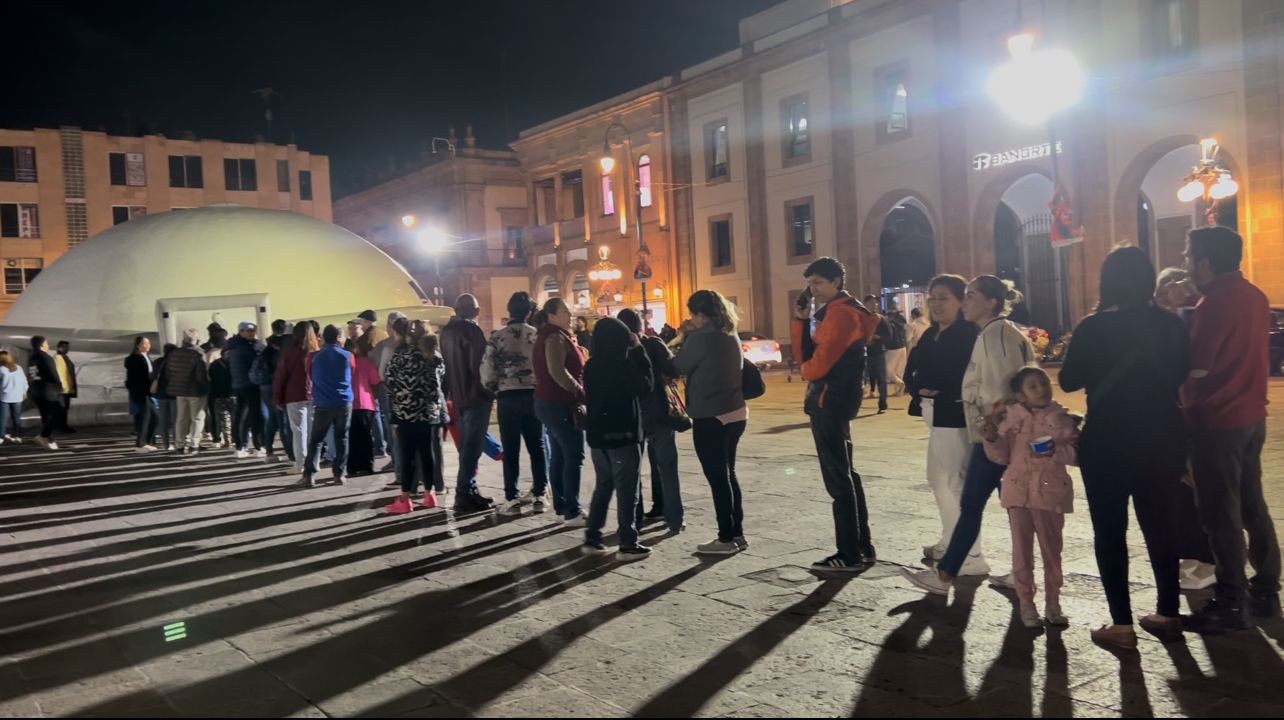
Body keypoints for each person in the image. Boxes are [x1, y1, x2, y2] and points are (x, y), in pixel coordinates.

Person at [1057, 246, 1191, 648]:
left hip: (1109, 439)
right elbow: (1182, 372)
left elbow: (1067, 380)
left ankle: (1122, 624)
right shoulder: (1171, 325)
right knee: (1161, 524)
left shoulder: (1093, 327)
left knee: (1110, 530)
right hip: (1163, 435)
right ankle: (1168, 612)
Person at [904, 275, 1034, 595]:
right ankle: (952, 570)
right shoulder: (991, 333)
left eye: (970, 296)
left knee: (992, 500)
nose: (965, 302)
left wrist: (993, 424)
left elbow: (1004, 386)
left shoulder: (996, 335)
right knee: (977, 498)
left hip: (996, 431)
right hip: (991, 429)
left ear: (990, 301)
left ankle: (969, 565)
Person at [1180, 227, 1281, 631]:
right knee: (1253, 504)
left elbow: (1198, 368)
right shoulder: (1255, 296)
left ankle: (1231, 600)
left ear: (1205, 261)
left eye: (1189, 256)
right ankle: (1266, 588)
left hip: (1217, 420)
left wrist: (1180, 397)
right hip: (1252, 415)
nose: (1186, 263)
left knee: (1220, 512)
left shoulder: (1215, 302)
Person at [792, 259, 881, 569]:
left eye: (818, 283)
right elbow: (808, 356)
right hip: (837, 399)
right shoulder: (840, 310)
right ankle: (862, 546)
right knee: (846, 474)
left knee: (838, 478)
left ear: (836, 281)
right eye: (811, 284)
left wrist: (807, 371)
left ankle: (849, 553)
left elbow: (816, 363)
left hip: (829, 401)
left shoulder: (841, 315)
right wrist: (801, 320)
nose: (813, 290)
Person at [983, 367, 1077, 629]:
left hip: (1050, 494)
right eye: (1033, 386)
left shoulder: (1062, 418)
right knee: (1021, 553)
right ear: (1019, 394)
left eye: (1044, 383)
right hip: (1017, 493)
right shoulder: (1011, 420)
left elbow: (1077, 454)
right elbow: (1001, 456)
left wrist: (1055, 451)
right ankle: (1026, 603)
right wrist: (991, 439)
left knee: (1051, 551)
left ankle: (1053, 603)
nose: (1041, 390)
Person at [905, 275, 985, 569]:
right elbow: (911, 370)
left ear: (961, 301)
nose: (936, 304)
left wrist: (937, 389)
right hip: (933, 414)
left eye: (944, 298)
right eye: (932, 298)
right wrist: (918, 388)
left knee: (956, 482)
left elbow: (966, 377)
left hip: (954, 415)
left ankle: (971, 553)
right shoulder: (930, 334)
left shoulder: (966, 335)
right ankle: (950, 539)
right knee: (937, 480)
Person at [674, 290, 749, 555]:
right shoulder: (731, 333)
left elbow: (677, 367)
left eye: (692, 314)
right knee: (729, 474)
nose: (691, 319)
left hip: (710, 415)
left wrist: (682, 337)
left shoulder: (699, 338)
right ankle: (737, 533)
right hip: (736, 413)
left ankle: (725, 538)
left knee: (718, 479)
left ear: (701, 315)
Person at [582, 316, 654, 558]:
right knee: (627, 490)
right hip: (623, 436)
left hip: (598, 437)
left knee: (603, 485)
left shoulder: (591, 365)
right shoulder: (623, 365)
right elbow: (645, 386)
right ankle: (628, 542)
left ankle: (592, 537)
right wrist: (639, 352)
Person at [482, 292, 549, 515]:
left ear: (509, 310)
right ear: (529, 312)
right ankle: (540, 493)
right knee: (537, 446)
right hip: (534, 395)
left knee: (510, 449)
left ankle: (512, 497)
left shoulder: (497, 337)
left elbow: (488, 369)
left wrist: (494, 386)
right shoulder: (537, 336)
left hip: (508, 397)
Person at [619, 308, 684, 534]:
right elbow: (674, 369)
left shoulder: (616, 349)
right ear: (640, 326)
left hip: (630, 415)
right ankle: (673, 516)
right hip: (659, 413)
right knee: (666, 466)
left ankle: (635, 519)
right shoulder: (655, 344)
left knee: (631, 469)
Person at [534, 298, 588, 526]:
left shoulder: (552, 335)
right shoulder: (554, 337)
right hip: (559, 403)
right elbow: (557, 371)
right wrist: (579, 391)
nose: (570, 314)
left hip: (549, 402)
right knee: (574, 454)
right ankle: (572, 510)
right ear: (552, 315)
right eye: (565, 311)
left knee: (559, 454)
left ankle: (562, 505)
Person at [385, 318, 448, 513]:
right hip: (429, 413)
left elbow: (389, 381)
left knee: (408, 455)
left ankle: (405, 499)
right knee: (427, 453)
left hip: (406, 412)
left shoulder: (402, 355)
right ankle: (430, 495)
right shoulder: (435, 355)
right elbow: (441, 380)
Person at [440, 294, 496, 511]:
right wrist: (489, 391)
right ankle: (463, 494)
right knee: (472, 448)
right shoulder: (471, 331)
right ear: (476, 310)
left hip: (459, 396)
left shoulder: (446, 332)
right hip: (475, 396)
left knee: (466, 447)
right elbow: (480, 365)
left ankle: (471, 491)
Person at [302, 324, 356, 487]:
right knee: (342, 437)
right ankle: (339, 474)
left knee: (316, 439)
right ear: (339, 337)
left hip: (322, 402)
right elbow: (352, 373)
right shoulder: (348, 355)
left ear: (324, 338)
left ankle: (309, 474)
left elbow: (309, 374)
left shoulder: (313, 357)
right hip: (343, 401)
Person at [275, 322, 319, 475]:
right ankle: (314, 462)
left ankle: (300, 464)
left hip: (294, 395)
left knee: (299, 431)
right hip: (315, 394)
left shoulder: (289, 351)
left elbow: (281, 375)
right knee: (313, 432)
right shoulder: (316, 350)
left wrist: (278, 397)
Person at [163, 328, 210, 454]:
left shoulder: (174, 353)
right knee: (197, 418)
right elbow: (201, 375)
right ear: (196, 340)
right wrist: (206, 387)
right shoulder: (198, 353)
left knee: (181, 418)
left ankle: (179, 445)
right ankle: (194, 444)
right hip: (195, 391)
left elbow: (169, 371)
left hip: (179, 390)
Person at [374, 311, 408, 480]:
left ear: (390, 327)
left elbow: (381, 373)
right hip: (414, 398)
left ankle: (398, 466)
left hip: (391, 394)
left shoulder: (386, 346)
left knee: (394, 429)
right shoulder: (417, 344)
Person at [226, 321, 266, 459]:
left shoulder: (232, 346)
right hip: (251, 384)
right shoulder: (249, 347)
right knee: (256, 416)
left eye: (253, 330)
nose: (251, 333)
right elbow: (257, 363)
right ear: (241, 331)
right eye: (248, 330)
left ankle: (240, 446)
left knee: (240, 415)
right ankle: (258, 446)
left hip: (238, 384)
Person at [252, 333, 291, 462]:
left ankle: (269, 450)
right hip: (274, 387)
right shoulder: (276, 355)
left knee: (272, 420)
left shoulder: (263, 354)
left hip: (264, 388)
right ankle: (288, 452)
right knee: (282, 421)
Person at [347, 333, 381, 476]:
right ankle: (366, 465)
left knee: (351, 437)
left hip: (348, 404)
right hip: (365, 402)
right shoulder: (364, 362)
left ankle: (352, 467)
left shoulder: (344, 362)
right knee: (366, 437)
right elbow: (375, 380)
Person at [25, 336, 63, 450]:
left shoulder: (32, 358)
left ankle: (48, 439)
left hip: (36, 390)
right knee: (55, 415)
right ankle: (44, 437)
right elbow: (53, 374)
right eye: (46, 343)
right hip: (48, 391)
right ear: (42, 345)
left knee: (46, 416)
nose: (48, 345)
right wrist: (59, 386)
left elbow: (31, 375)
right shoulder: (46, 358)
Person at [125, 336, 159, 452]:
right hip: (140, 391)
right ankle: (142, 442)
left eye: (149, 343)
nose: (148, 345)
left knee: (153, 416)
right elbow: (137, 377)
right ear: (138, 345)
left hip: (148, 392)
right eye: (146, 343)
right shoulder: (134, 359)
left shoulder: (147, 357)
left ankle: (147, 441)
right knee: (146, 416)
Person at [861, 295, 892, 414]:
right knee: (861, 380)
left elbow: (889, 336)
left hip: (878, 352)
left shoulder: (881, 319)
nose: (875, 305)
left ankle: (882, 405)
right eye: (872, 303)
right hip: (863, 353)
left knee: (882, 380)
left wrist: (877, 337)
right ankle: (855, 403)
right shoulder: (861, 318)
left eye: (876, 303)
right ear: (865, 303)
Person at [206, 334, 235, 450]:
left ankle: (228, 441)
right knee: (236, 419)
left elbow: (209, 378)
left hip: (218, 395)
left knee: (224, 420)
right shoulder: (235, 364)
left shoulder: (214, 364)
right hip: (234, 394)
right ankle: (236, 439)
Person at [151, 343, 179, 451]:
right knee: (176, 420)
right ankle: (177, 443)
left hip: (160, 396)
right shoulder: (176, 363)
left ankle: (166, 445)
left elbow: (152, 376)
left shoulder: (158, 362)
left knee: (163, 420)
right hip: (174, 395)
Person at [1, 349, 29, 443]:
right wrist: (24, 392)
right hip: (17, 397)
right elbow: (24, 382)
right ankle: (16, 436)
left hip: (4, 397)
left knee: (2, 418)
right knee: (16, 417)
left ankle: (1, 437)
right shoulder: (19, 367)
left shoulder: (1, 369)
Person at [884, 308, 909, 396]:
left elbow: (889, 337)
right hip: (903, 347)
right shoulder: (900, 324)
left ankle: (899, 382)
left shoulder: (889, 324)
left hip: (894, 348)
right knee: (899, 370)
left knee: (887, 370)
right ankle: (899, 391)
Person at [54, 341, 77, 432]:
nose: (67, 349)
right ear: (60, 347)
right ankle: (62, 427)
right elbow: (58, 373)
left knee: (64, 408)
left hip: (66, 388)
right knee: (62, 409)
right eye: (65, 347)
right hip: (62, 388)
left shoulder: (64, 357)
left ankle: (62, 426)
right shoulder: (57, 358)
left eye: (68, 347)